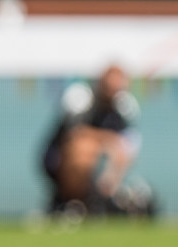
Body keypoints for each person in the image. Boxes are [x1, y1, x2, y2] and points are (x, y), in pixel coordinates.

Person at [42, 64, 153, 218]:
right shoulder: (81, 99)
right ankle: (71, 201)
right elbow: (75, 135)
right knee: (84, 150)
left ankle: (101, 199)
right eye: (109, 87)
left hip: (101, 169)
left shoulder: (124, 108)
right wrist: (108, 139)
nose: (112, 93)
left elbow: (129, 144)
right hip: (57, 160)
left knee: (121, 150)